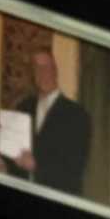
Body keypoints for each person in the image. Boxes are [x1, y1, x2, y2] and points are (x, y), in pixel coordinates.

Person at [10, 42, 93, 197]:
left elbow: (75, 168)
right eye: (37, 68)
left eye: (47, 67)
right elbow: (12, 154)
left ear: (56, 71)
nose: (43, 73)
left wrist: (36, 167)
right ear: (32, 74)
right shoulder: (22, 107)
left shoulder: (78, 115)